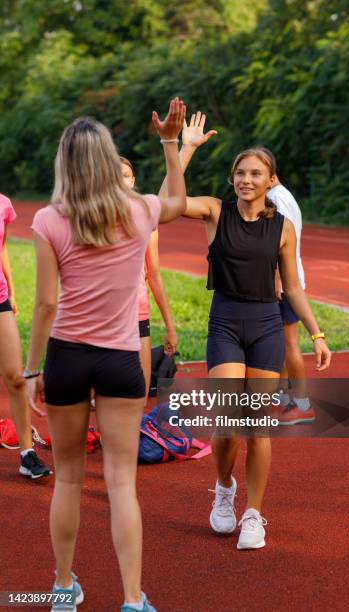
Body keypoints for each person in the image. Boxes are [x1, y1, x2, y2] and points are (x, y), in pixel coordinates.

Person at [26, 98, 186, 612]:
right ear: (107, 159)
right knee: (121, 483)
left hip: (67, 357)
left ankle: (62, 589)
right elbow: (179, 200)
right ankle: (133, 600)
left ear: (65, 162)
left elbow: (46, 303)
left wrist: (33, 369)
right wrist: (169, 143)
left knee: (68, 479)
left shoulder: (49, 219)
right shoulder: (139, 210)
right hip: (120, 358)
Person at [159, 112, 331, 550]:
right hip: (225, 325)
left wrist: (316, 334)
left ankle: (254, 513)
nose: (246, 180)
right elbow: (165, 206)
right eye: (240, 172)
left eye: (255, 173)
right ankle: (223, 490)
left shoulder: (283, 227)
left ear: (271, 180)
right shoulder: (216, 211)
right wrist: (186, 148)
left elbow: (291, 287)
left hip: (267, 326)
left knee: (257, 426)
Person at [0, 193, 50, 478]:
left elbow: (2, 247)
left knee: (16, 378)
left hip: (0, 299)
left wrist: (12, 290)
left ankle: (27, 453)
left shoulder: (3, 204)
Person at [121, 157, 177, 399]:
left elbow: (154, 275)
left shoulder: (146, 217)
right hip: (105, 317)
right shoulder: (95, 218)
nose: (120, 180)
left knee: (140, 393)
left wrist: (170, 325)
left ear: (133, 180)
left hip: (138, 313)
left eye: (125, 175)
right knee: (112, 392)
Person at [267, 168, 315, 425]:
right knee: (280, 343)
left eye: (258, 175)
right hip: (286, 279)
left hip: (285, 283)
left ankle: (303, 403)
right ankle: (284, 398)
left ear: (271, 177)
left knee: (289, 344)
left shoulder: (276, 197)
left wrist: (277, 277)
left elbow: (282, 240)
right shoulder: (283, 195)